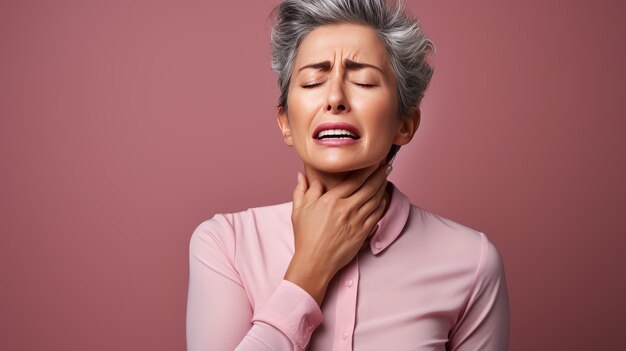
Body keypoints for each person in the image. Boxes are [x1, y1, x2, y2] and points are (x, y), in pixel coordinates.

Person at [186, 0, 510, 350]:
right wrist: (309, 270)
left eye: (364, 82)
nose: (336, 98)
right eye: (312, 82)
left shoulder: (471, 261)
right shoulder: (227, 244)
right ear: (286, 123)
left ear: (405, 124)